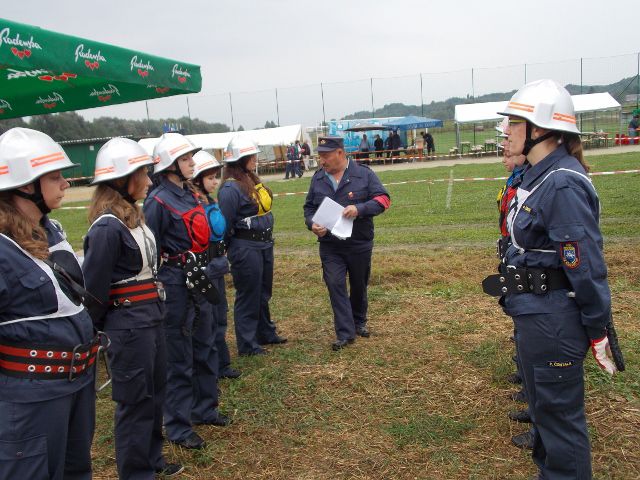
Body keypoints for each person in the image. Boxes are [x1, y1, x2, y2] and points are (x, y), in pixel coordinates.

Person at [483, 79, 618, 479]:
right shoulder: (536, 176)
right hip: (534, 314)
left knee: (560, 423)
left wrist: (597, 329)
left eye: (514, 123)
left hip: (554, 320)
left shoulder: (560, 182)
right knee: (544, 413)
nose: (506, 132)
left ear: (539, 129)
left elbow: (586, 267)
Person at [83, 138, 183, 478]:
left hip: (151, 320)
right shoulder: (107, 229)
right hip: (128, 329)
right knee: (135, 403)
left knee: (155, 396)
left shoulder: (132, 219)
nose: (150, 180)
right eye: (142, 173)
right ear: (123, 179)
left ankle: (151, 460)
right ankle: (136, 472)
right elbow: (94, 291)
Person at [0, 128, 97, 480]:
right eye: (55, 176)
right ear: (27, 185)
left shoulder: (52, 231)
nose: (66, 184)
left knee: (76, 470)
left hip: (77, 384)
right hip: (30, 400)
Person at [143, 133, 229, 452]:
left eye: (191, 157)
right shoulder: (157, 201)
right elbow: (151, 249)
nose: (193, 162)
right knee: (179, 355)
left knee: (205, 342)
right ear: (170, 165)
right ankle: (178, 425)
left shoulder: (189, 193)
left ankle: (205, 408)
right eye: (186, 159)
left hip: (199, 277)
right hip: (175, 283)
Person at [303, 137, 390, 351]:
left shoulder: (364, 174)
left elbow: (383, 200)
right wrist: (312, 224)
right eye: (320, 156)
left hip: (359, 243)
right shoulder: (318, 178)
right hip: (330, 246)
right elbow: (309, 208)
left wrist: (359, 209)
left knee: (359, 285)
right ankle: (345, 332)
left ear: (340, 153)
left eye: (325, 156)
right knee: (335, 285)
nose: (321, 161)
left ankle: (359, 321)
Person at [218, 137, 287, 356]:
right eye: (251, 156)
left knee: (263, 292)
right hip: (246, 248)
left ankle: (265, 332)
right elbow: (225, 224)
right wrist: (229, 252)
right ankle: (247, 344)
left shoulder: (249, 179)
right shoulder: (230, 188)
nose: (255, 159)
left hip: (264, 244)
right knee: (249, 294)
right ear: (240, 159)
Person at [191, 150, 241, 380]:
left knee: (220, 315)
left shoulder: (211, 201)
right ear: (197, 179)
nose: (215, 182)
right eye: (210, 178)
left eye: (215, 177)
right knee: (207, 319)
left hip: (218, 266)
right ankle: (210, 367)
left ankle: (221, 364)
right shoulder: (191, 206)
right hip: (204, 269)